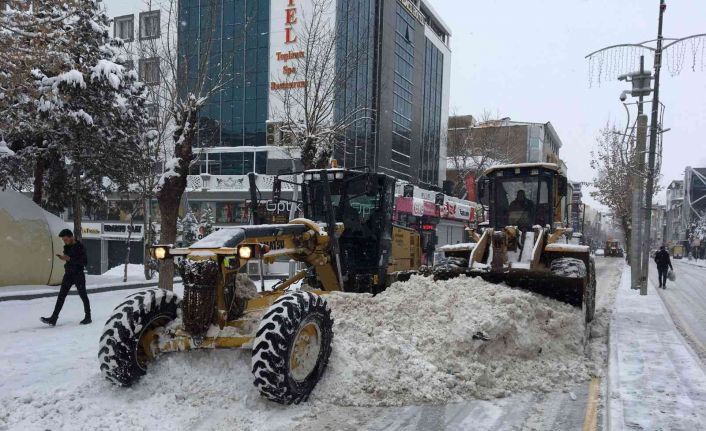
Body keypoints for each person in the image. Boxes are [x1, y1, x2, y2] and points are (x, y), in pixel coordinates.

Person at [41, 229, 91, 326]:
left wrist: (69, 259)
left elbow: (85, 262)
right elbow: (69, 259)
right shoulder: (67, 247)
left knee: (83, 295)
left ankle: (88, 317)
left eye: (66, 239)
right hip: (68, 274)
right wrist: (64, 258)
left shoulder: (80, 247)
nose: (65, 241)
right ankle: (53, 318)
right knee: (61, 296)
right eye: (63, 240)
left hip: (78, 274)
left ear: (71, 237)